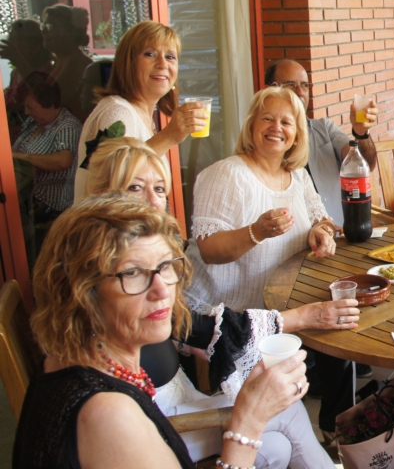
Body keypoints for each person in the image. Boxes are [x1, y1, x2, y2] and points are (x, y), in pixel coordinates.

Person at [86, 136, 353, 467]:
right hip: (152, 424)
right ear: (103, 193)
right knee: (286, 412)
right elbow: (191, 325)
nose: (153, 201)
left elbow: (185, 329)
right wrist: (301, 318)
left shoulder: (135, 261)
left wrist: (217, 346)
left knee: (277, 447)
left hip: (172, 402)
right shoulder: (102, 278)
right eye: (135, 188)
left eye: (159, 189)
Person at [13, 196, 309, 469]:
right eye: (132, 273)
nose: (162, 291)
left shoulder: (74, 359)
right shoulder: (109, 415)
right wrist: (248, 422)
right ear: (81, 292)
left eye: (165, 266)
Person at [184, 86, 353, 438]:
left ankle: (336, 429)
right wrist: (256, 232)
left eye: (286, 122)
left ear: (297, 134)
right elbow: (210, 250)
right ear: (252, 125)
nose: (277, 128)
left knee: (342, 323)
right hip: (230, 311)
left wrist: (319, 233)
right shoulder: (227, 174)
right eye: (267, 119)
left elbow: (321, 220)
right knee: (329, 321)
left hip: (283, 300)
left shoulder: (298, 175)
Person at [74, 20, 208, 204]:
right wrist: (169, 136)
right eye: (150, 54)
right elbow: (110, 184)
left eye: (170, 57)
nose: (162, 64)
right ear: (127, 64)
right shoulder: (117, 111)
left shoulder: (141, 115)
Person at [264, 58, 378, 226]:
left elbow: (366, 165)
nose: (299, 92)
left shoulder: (325, 128)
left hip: (338, 233)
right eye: (290, 85)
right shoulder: (266, 139)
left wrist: (361, 134)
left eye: (304, 85)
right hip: (292, 236)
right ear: (270, 90)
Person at [12, 72, 82, 224]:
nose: (26, 112)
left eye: (31, 107)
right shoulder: (34, 121)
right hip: (23, 191)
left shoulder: (67, 126)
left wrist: (19, 156)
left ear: (49, 104)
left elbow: (64, 160)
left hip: (45, 204)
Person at [39, 4, 94, 123]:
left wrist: (19, 61)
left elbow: (48, 104)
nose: (43, 31)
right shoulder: (61, 59)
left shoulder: (76, 62)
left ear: (70, 33)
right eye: (43, 26)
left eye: (50, 27)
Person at [2, 18, 54, 140]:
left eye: (17, 39)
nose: (12, 44)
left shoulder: (46, 71)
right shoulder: (15, 73)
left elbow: (45, 98)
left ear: (35, 45)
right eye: (11, 38)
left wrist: (18, 60)